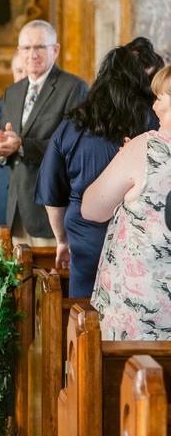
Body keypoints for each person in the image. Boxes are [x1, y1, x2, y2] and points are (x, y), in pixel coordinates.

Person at [35, 45, 155, 298]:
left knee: (84, 307)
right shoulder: (152, 120)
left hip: (85, 234)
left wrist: (62, 241)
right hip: (138, 236)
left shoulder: (73, 124)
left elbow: (52, 193)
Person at [82, 64, 171, 340]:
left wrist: (125, 160)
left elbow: (92, 208)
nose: (154, 106)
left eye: (160, 97)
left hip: (143, 309)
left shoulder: (146, 147)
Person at [0, 19, 88, 245]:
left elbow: (74, 148)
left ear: (55, 50)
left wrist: (22, 145)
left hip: (51, 211)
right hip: (16, 210)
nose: (32, 54)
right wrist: (0, 150)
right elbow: (8, 147)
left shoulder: (74, 88)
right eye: (26, 48)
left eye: (40, 47)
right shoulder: (12, 92)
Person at [0, 52, 25, 222]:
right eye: (19, 71)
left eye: (27, 70)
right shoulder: (1, 105)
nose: (23, 76)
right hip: (4, 191)